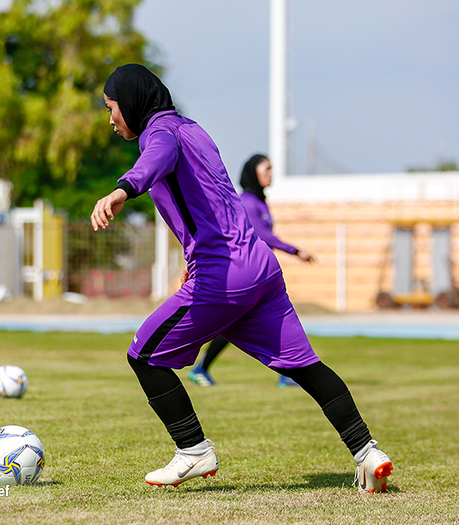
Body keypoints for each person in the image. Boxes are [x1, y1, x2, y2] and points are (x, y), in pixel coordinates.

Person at [91, 63, 392, 493]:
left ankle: (193, 449)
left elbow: (156, 159)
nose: (111, 119)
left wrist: (123, 189)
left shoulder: (159, 134)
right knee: (306, 366)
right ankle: (367, 452)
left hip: (223, 278)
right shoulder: (193, 129)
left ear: (131, 101)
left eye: (111, 108)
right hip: (261, 270)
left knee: (143, 354)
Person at [189, 153, 315, 388]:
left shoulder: (259, 201)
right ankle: (198, 367)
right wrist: (295, 251)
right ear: (252, 172)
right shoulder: (246, 201)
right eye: (266, 168)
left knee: (264, 321)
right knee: (233, 323)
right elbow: (262, 234)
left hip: (261, 275)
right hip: (247, 274)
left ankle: (286, 373)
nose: (271, 173)